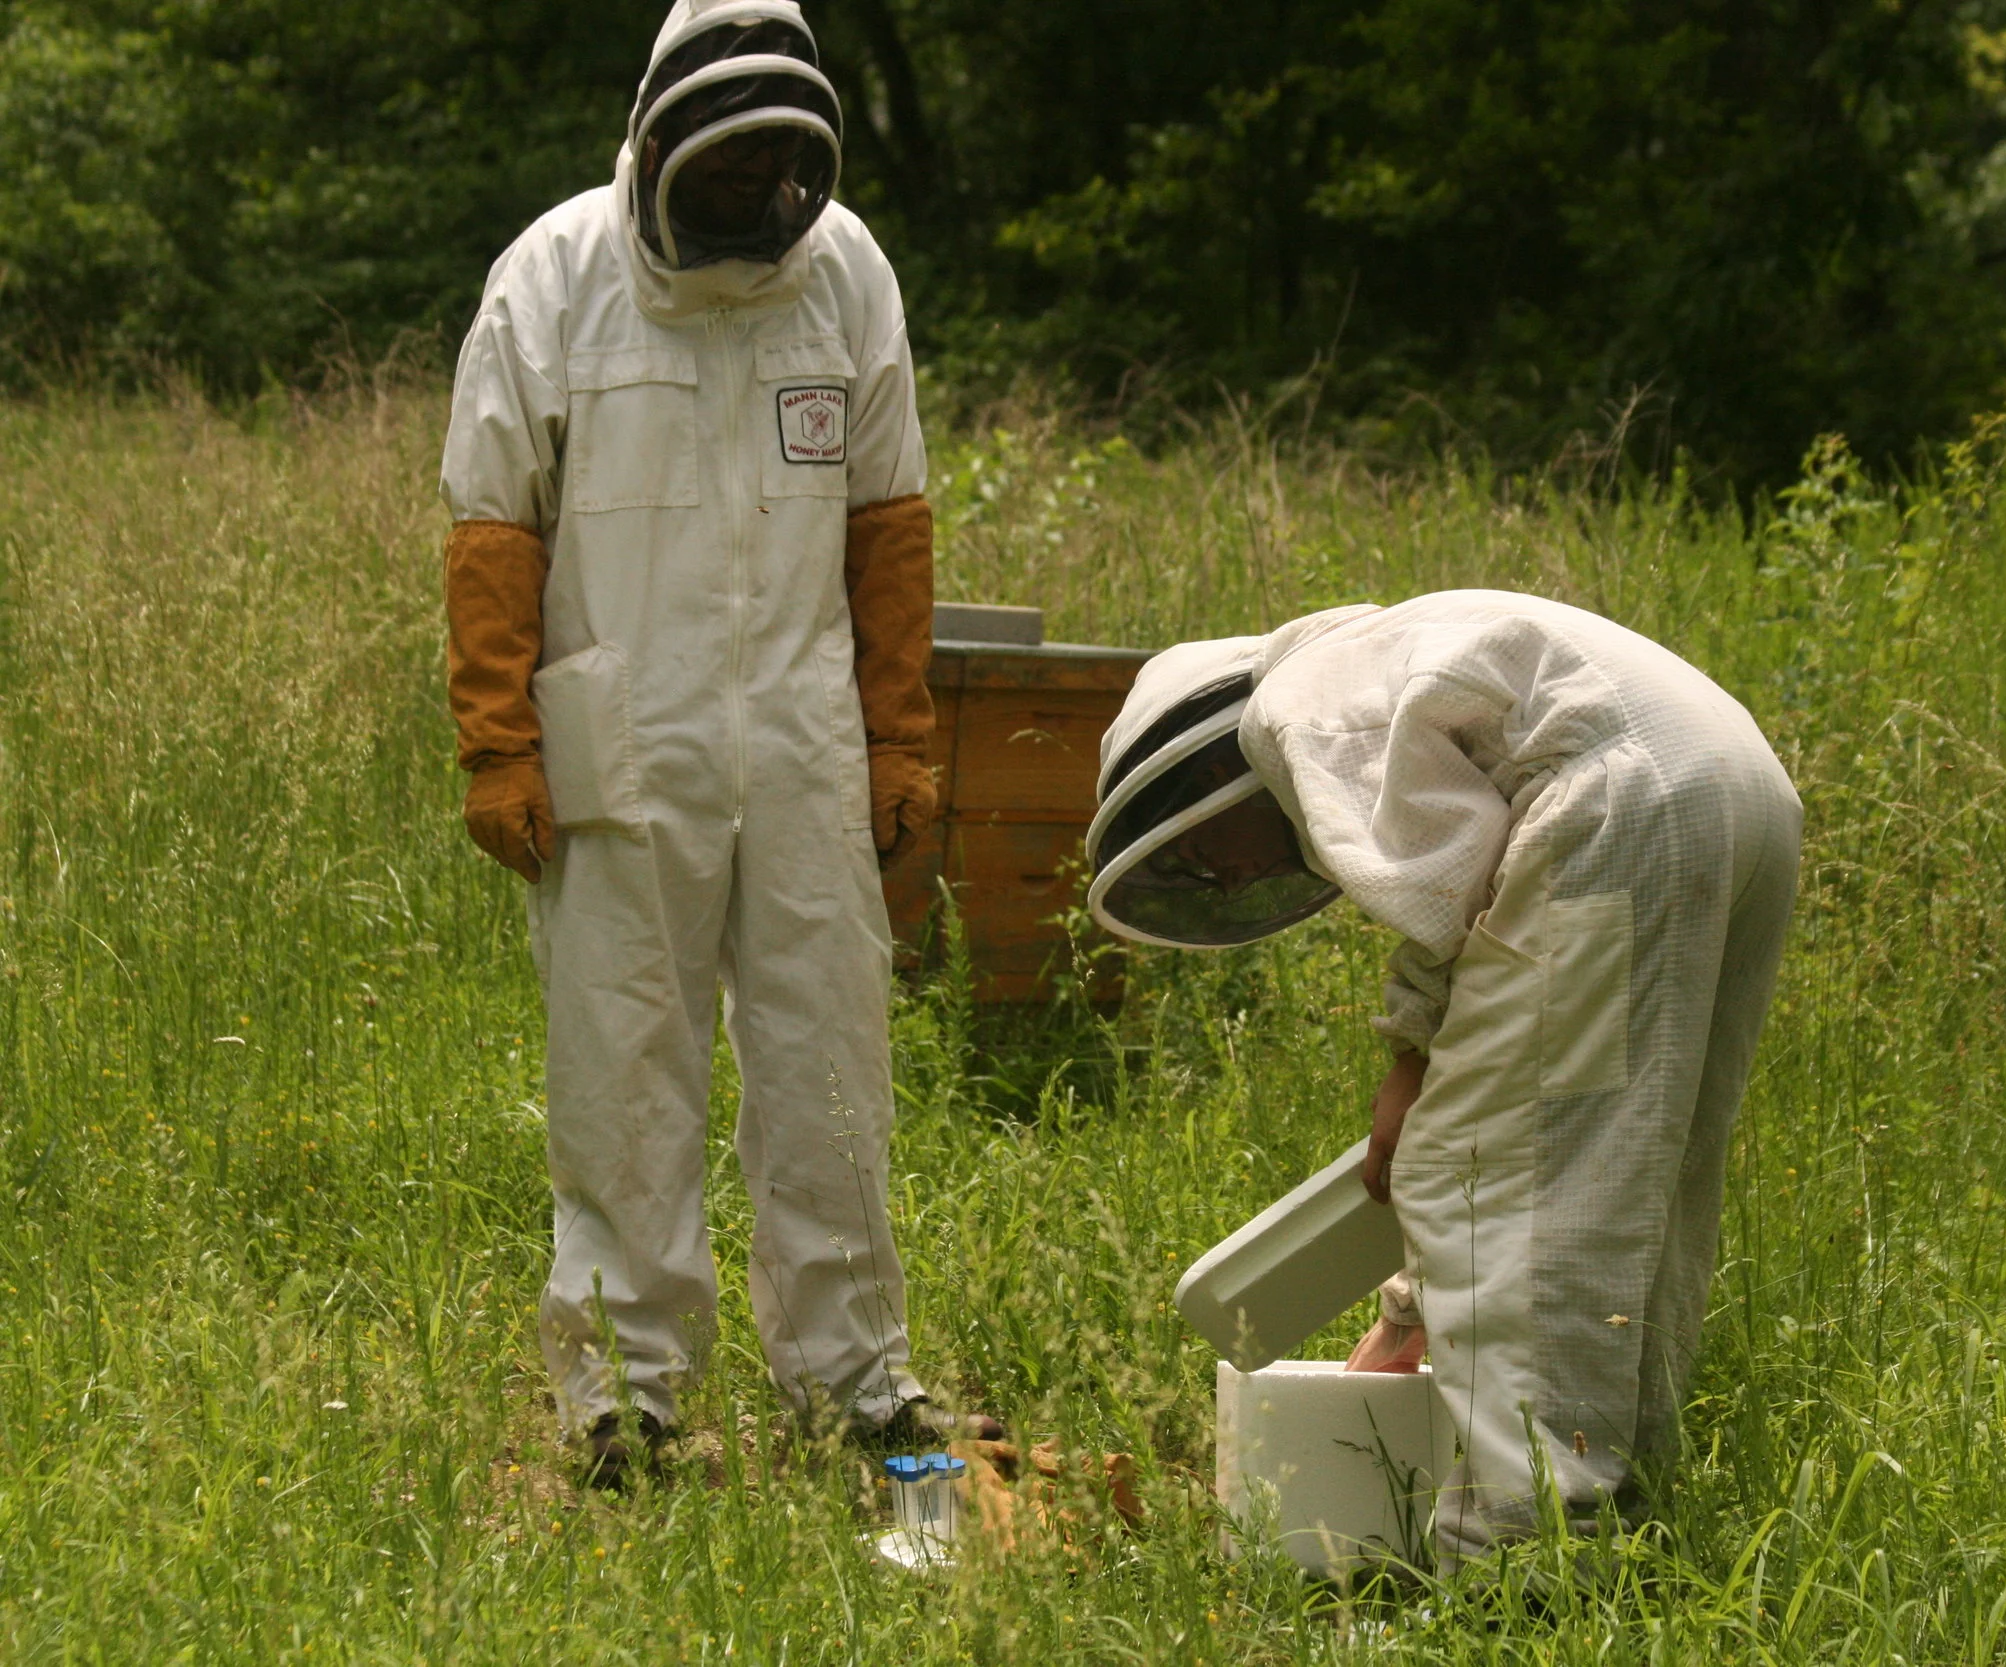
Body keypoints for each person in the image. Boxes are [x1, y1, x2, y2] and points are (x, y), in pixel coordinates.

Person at [439, 0, 983, 1485]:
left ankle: (856, 1380)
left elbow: (889, 521)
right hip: (619, 729)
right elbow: (492, 526)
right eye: (727, 173)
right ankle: (626, 1396)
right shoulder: (555, 275)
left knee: (830, 1059)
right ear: (661, 142)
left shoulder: (847, 270)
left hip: (805, 732)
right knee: (622, 1062)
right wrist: (498, 741)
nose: (753, 199)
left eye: (772, 173)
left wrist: (897, 736)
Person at [1086, 591, 1801, 1563]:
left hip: (1616, 802)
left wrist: (1414, 1049)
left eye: (1203, 859)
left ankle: (1526, 1549)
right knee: (1638, 1163)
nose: (1231, 880)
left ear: (1212, 774)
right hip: (1738, 787)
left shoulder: (1292, 711)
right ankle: (1628, 1496)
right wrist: (1406, 1313)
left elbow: (1444, 882)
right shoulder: (1368, 662)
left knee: (1489, 1170)